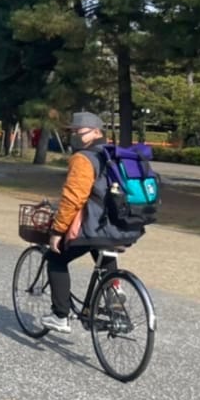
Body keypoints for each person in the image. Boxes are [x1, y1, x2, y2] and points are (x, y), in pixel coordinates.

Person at [43, 111, 123, 333]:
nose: (75, 135)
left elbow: (73, 197)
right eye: (72, 132)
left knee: (55, 257)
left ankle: (60, 316)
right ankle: (114, 293)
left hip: (95, 224)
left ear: (97, 131)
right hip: (121, 225)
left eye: (79, 131)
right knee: (104, 250)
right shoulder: (114, 154)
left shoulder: (84, 158)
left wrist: (58, 230)